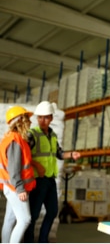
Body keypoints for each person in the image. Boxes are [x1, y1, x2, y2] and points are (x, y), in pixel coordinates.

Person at [23, 101, 81, 243]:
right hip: (37, 180)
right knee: (34, 214)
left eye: (46, 117)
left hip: (50, 180)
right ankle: (28, 241)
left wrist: (71, 154)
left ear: (51, 118)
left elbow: (59, 153)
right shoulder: (32, 134)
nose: (43, 121)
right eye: (40, 117)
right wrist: (37, 165)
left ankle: (43, 240)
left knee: (53, 211)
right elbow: (23, 156)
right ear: (37, 118)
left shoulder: (52, 135)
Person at [0, 106, 36, 243]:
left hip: (11, 186)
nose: (30, 122)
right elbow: (14, 170)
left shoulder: (13, 138)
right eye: (27, 118)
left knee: (10, 218)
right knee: (25, 220)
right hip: (16, 188)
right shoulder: (15, 141)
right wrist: (20, 189)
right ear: (20, 120)